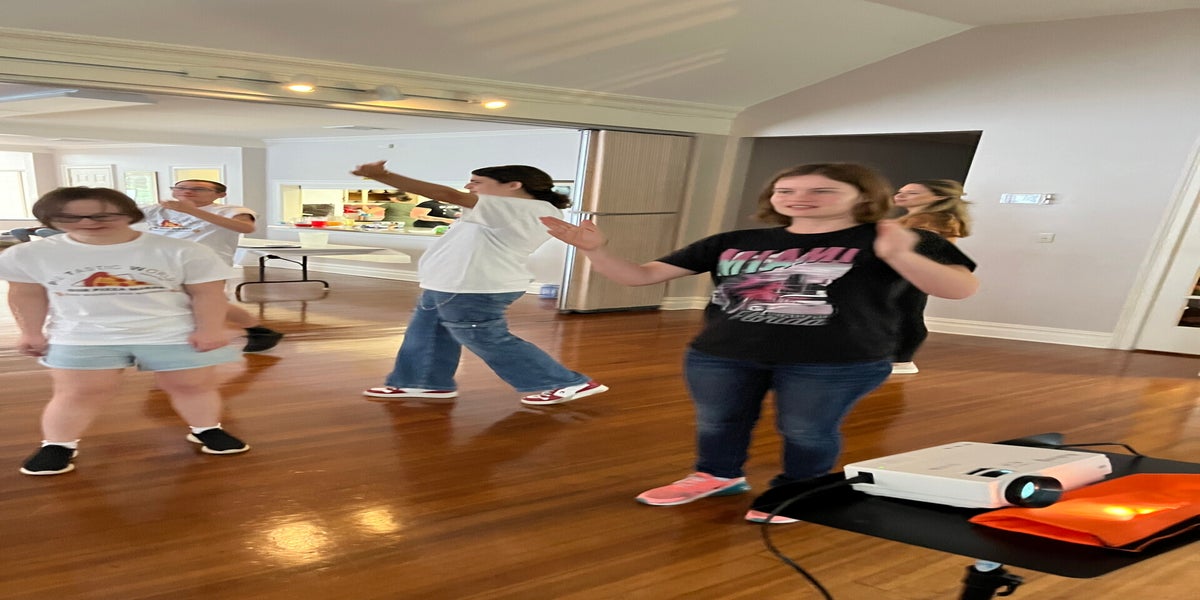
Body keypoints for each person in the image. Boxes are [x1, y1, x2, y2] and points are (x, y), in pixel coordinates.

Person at [540, 163, 978, 522]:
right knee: (719, 422)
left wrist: (898, 254)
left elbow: (959, 288)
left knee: (806, 429)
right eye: (785, 190)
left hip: (836, 360)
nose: (799, 197)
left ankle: (801, 490)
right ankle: (718, 475)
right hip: (722, 354)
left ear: (863, 196)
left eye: (822, 190)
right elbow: (640, 276)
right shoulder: (735, 241)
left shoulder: (900, 237)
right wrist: (595, 250)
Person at [0, 187, 250, 476]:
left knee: (192, 385)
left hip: (171, 331)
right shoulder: (29, 254)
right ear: (49, 220)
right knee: (78, 392)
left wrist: (210, 329)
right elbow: (26, 294)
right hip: (81, 335)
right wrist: (30, 332)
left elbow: (207, 293)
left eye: (102, 215)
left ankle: (206, 428)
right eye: (69, 217)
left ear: (129, 213)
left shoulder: (183, 250)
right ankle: (58, 444)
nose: (87, 223)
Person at [351, 160, 607, 405]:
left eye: (476, 182)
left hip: (471, 287)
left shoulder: (523, 208)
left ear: (514, 185)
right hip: (449, 285)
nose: (468, 186)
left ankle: (565, 382)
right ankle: (423, 382)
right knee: (427, 332)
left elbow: (448, 194)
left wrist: (383, 176)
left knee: (486, 337)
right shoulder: (508, 209)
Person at [138, 179, 284, 352]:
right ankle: (258, 331)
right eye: (181, 188)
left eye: (198, 189)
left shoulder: (231, 210)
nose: (187, 192)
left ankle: (251, 332)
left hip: (207, 266)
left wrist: (191, 211)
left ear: (220, 194)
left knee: (200, 302)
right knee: (187, 301)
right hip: (162, 264)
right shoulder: (157, 210)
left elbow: (246, 228)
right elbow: (118, 216)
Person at [889, 179, 972, 374]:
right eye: (900, 191)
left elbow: (920, 250)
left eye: (912, 193)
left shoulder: (936, 221)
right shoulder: (912, 220)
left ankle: (902, 360)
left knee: (907, 312)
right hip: (908, 272)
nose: (901, 195)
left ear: (938, 197)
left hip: (912, 273)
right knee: (902, 311)